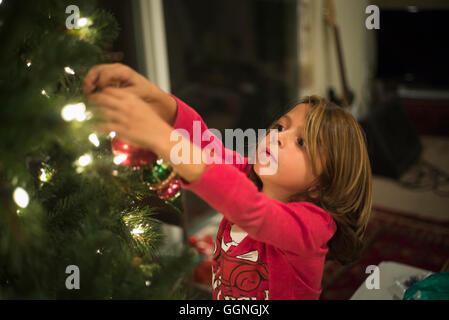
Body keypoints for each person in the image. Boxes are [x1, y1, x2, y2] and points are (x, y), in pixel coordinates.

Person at [84, 63, 372, 300]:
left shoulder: (313, 227)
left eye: (301, 142)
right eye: (281, 126)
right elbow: (204, 144)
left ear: (320, 185)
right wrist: (153, 96)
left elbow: (251, 209)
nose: (278, 136)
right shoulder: (249, 174)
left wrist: (159, 136)